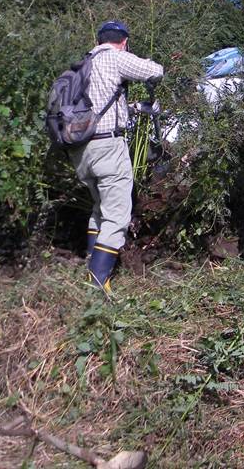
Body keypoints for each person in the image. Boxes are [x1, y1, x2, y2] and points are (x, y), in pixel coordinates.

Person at [72, 21, 164, 291]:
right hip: (107, 148)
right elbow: (154, 71)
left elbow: (100, 105)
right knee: (117, 216)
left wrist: (136, 108)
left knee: (100, 208)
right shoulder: (114, 56)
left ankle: (91, 261)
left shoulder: (84, 63)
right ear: (123, 41)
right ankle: (98, 282)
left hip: (81, 150)